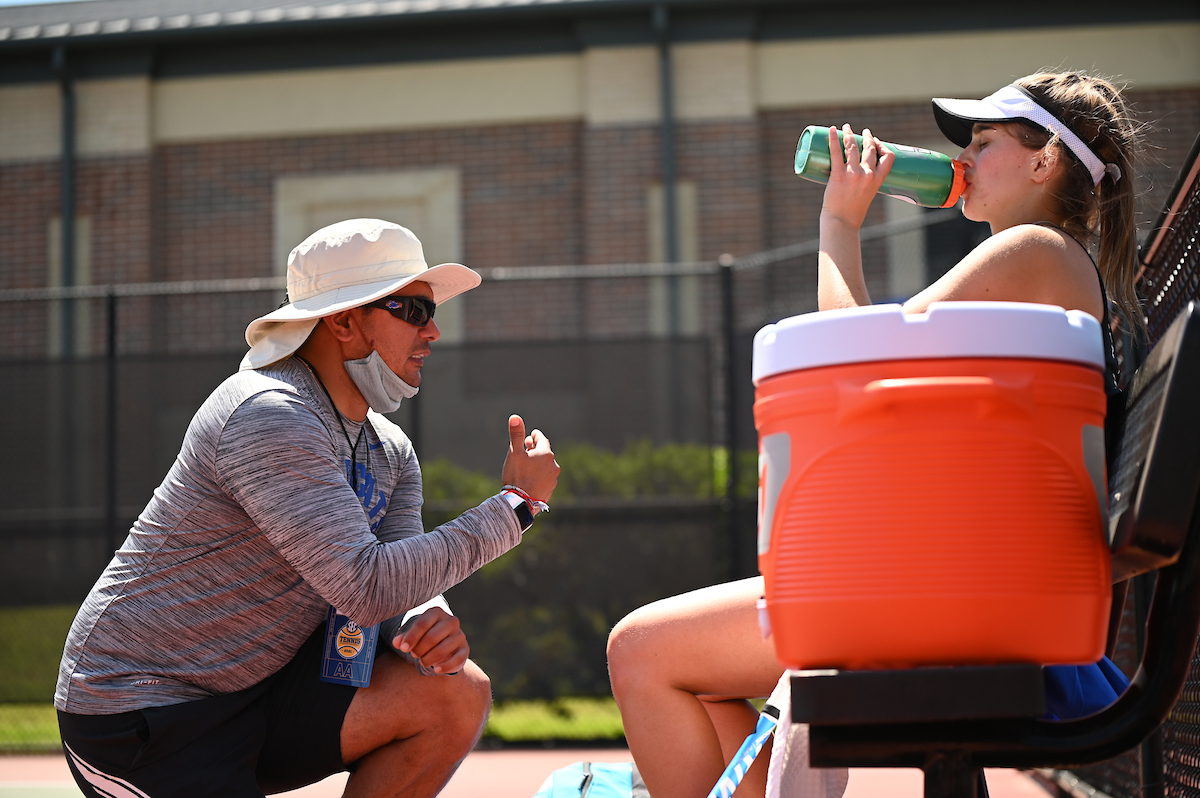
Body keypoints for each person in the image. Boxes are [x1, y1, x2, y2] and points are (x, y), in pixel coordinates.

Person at [607, 70, 1142, 798]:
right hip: (973, 592)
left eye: (984, 143)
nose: (963, 162)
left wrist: (840, 222)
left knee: (641, 652)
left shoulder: (1035, 251)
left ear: (1045, 161)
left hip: (951, 604)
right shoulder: (1056, 270)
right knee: (689, 679)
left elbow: (851, 361)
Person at [56, 218, 560, 797]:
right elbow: (366, 586)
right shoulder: (268, 413)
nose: (434, 332)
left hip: (257, 693)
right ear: (344, 321)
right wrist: (516, 506)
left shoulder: (387, 448)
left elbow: (397, 574)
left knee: (452, 692)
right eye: (414, 311)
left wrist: (423, 616)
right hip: (142, 710)